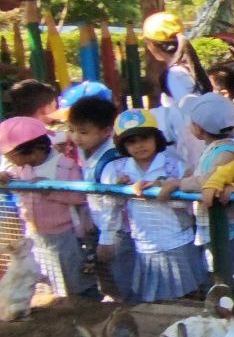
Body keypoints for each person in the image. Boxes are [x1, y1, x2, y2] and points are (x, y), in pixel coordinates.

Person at [97, 109, 203, 302]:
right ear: (123, 145)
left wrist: (162, 190)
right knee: (154, 299)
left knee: (190, 296)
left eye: (145, 138)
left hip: (177, 239)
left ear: (156, 138)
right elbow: (110, 207)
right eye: (132, 141)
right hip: (145, 244)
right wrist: (121, 192)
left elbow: (187, 203)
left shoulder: (174, 166)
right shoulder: (117, 170)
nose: (139, 145)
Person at [158, 94, 234, 302]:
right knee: (218, 278)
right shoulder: (211, 150)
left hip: (227, 231)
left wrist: (178, 184)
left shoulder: (227, 151)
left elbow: (211, 178)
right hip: (211, 228)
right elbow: (194, 173)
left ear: (199, 128)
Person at [0, 117, 89, 297]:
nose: (7, 159)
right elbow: (17, 186)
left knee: (69, 282)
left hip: (62, 236)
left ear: (32, 152)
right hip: (33, 235)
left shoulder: (65, 166)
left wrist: (50, 190)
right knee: (42, 281)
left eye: (10, 155)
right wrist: (6, 178)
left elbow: (79, 197)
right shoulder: (22, 168)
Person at [67, 92, 132, 301]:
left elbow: (112, 204)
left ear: (106, 131)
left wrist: (107, 238)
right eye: (71, 130)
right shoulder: (90, 153)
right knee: (110, 280)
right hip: (103, 227)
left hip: (117, 232)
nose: (76, 137)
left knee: (124, 281)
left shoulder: (110, 162)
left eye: (83, 132)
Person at [141, 12, 212, 171]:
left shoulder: (176, 75)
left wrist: (194, 167)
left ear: (152, 44)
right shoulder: (184, 70)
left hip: (196, 158)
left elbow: (188, 121)